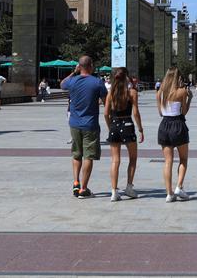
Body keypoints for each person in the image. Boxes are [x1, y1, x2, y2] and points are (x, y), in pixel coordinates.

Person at [61, 56, 107, 199]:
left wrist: (74, 72)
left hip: (74, 124)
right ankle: (84, 189)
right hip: (90, 124)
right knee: (88, 156)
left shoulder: (73, 81)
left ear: (79, 66)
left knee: (76, 154)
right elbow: (107, 101)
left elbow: (62, 84)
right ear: (91, 66)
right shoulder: (97, 82)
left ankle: (76, 182)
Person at [103, 66, 143, 202]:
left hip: (114, 125)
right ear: (127, 78)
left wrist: (110, 127)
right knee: (133, 158)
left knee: (115, 160)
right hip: (127, 125)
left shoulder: (110, 93)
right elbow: (136, 113)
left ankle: (114, 191)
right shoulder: (131, 92)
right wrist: (141, 129)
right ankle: (129, 187)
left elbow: (105, 113)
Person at [157, 67, 191, 202]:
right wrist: (189, 99)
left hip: (164, 125)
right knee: (183, 159)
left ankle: (169, 193)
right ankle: (179, 186)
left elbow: (160, 112)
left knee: (168, 161)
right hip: (177, 124)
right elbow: (184, 112)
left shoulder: (160, 92)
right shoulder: (181, 91)